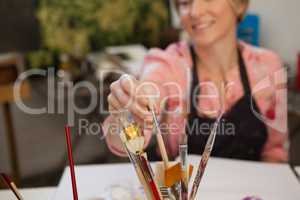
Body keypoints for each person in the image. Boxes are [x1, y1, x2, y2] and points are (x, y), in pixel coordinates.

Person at [103, 0, 288, 162]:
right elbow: (147, 97)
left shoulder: (267, 65)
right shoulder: (168, 63)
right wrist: (130, 109)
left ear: (239, 5)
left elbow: (274, 151)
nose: (195, 12)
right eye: (185, 2)